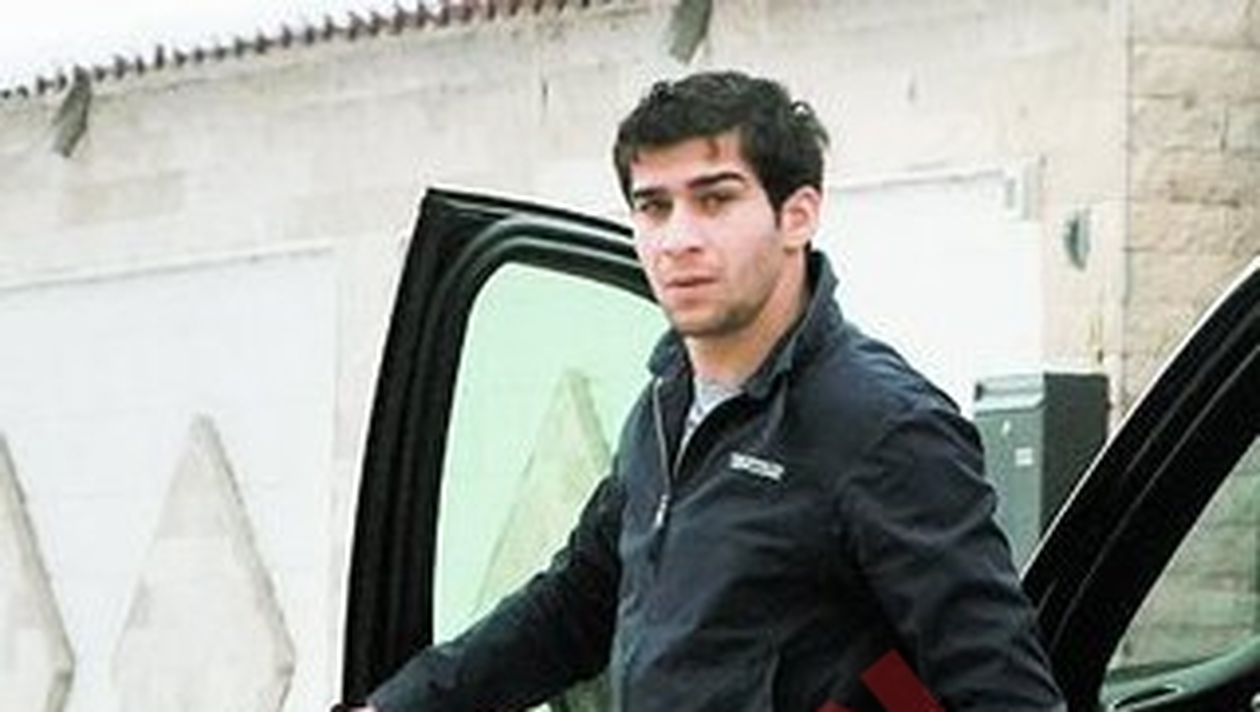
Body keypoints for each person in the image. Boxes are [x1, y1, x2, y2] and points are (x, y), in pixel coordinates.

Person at [339, 70, 1066, 711]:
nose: (676, 239)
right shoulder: (665, 407)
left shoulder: (881, 425)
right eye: (653, 207)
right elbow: (577, 604)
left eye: (714, 200)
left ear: (797, 215)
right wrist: (401, 704)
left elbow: (1003, 691)